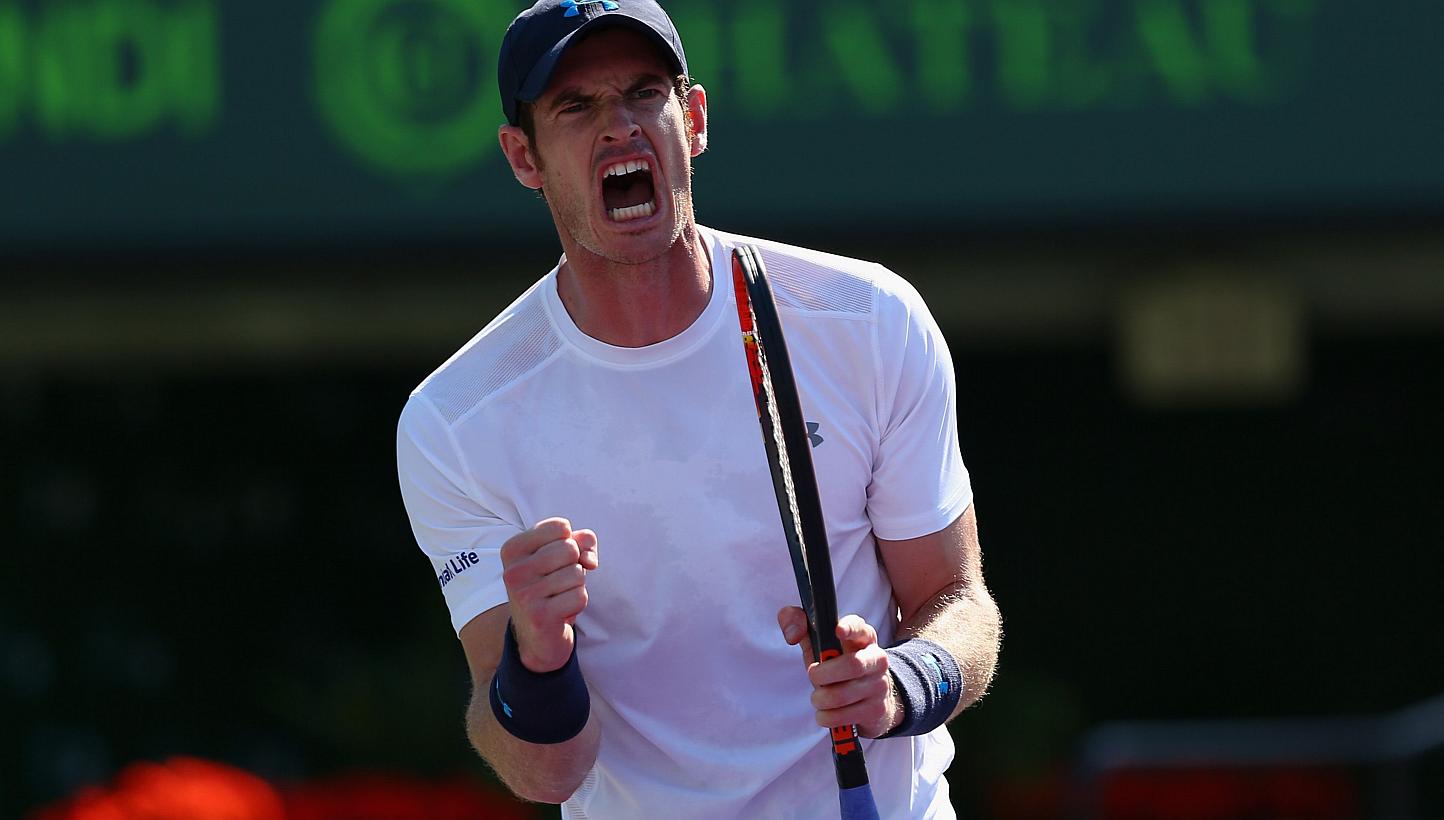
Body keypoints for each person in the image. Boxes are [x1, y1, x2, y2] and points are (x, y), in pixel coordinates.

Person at [396, 1, 1002, 817]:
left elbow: (959, 604)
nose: (620, 127)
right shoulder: (454, 421)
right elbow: (545, 775)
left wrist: (900, 682)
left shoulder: (868, 321)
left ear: (695, 119)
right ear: (523, 156)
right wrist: (536, 660)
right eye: (576, 106)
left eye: (644, 93)